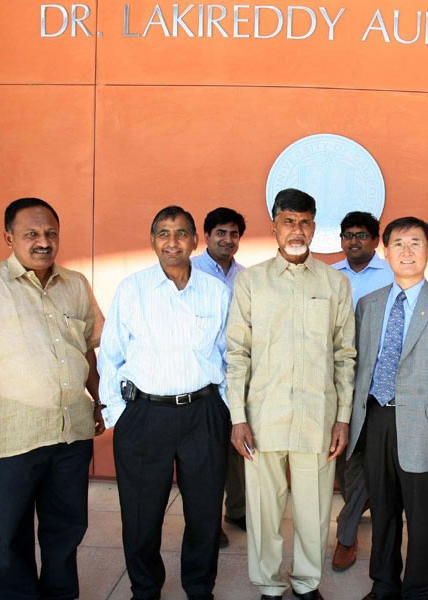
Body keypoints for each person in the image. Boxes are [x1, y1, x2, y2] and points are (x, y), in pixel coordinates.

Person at [0, 197, 104, 599]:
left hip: (71, 433)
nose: (43, 242)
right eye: (31, 233)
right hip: (14, 435)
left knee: (66, 527)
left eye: (51, 233)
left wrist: (98, 401)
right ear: (8, 238)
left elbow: (87, 351)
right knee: (12, 532)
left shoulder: (75, 285)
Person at [226, 188, 356, 600]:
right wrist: (237, 417)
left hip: (317, 417)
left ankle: (306, 583)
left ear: (314, 227)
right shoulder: (251, 282)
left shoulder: (335, 283)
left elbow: (345, 355)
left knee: (313, 510)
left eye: (304, 222)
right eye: (288, 221)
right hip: (262, 417)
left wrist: (343, 417)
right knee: (263, 510)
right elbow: (237, 353)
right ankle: (268, 584)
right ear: (274, 226)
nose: (296, 230)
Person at [99, 206, 230, 600]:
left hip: (203, 413)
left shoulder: (216, 291)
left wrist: (225, 411)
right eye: (163, 233)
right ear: (153, 240)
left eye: (181, 233)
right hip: (145, 414)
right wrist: (119, 414)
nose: (172, 242)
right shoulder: (132, 289)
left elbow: (228, 356)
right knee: (141, 514)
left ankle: (199, 587)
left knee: (205, 512)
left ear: (194, 240)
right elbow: (110, 355)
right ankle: (145, 588)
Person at [347, 216, 428, 600]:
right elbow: (359, 367)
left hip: (425, 428)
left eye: (415, 243)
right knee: (383, 513)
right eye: (398, 244)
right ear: (385, 252)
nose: (406, 251)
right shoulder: (369, 305)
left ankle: (418, 591)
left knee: (423, 519)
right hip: (376, 420)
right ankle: (384, 585)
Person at [330, 211, 394, 572]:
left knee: (361, 459)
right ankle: (358, 502)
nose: (353, 241)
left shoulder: (392, 276)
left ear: (375, 240)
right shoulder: (328, 275)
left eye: (361, 235)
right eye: (348, 235)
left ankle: (347, 533)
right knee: (342, 456)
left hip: (375, 382)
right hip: (334, 378)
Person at [192, 207, 248, 545]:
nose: (227, 239)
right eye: (220, 233)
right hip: (205, 378)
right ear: (207, 236)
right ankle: (208, 523)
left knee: (238, 448)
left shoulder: (246, 277)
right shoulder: (191, 271)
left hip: (238, 377)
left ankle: (237, 510)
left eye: (233, 234)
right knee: (206, 457)